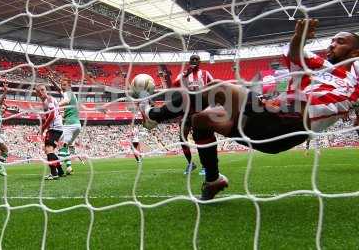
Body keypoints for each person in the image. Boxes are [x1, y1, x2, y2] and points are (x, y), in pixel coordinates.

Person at [139, 19, 359, 200]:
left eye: (340, 42)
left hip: (290, 124)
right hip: (268, 123)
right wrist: (298, 38)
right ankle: (213, 180)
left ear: (355, 52)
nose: (332, 44)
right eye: (332, 40)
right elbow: (295, 53)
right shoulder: (320, 65)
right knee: (201, 120)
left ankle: (154, 116)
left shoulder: (354, 77)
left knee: (217, 87)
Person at [173, 54, 213, 175]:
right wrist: (186, 74)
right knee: (182, 138)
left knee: (201, 139)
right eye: (192, 59)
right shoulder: (184, 74)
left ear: (200, 61)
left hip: (201, 111)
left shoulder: (206, 74)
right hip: (186, 112)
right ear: (189, 61)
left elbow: (215, 85)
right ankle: (191, 164)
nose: (194, 61)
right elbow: (174, 85)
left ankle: (205, 166)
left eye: (196, 59)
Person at [48, 75, 82, 175]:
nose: (62, 87)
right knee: (66, 146)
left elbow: (66, 100)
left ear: (69, 85)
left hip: (69, 124)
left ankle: (57, 170)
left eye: (64, 85)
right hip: (77, 125)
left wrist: (56, 105)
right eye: (61, 85)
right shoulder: (71, 94)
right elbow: (60, 91)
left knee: (62, 146)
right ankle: (69, 167)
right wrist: (53, 82)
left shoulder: (68, 93)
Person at [35, 83, 65, 180]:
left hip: (54, 127)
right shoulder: (48, 100)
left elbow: (52, 115)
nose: (41, 93)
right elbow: (49, 115)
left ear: (46, 90)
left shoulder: (48, 100)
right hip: (57, 127)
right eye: (39, 91)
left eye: (42, 90)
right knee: (49, 150)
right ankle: (60, 171)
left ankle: (54, 173)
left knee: (48, 150)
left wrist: (43, 128)